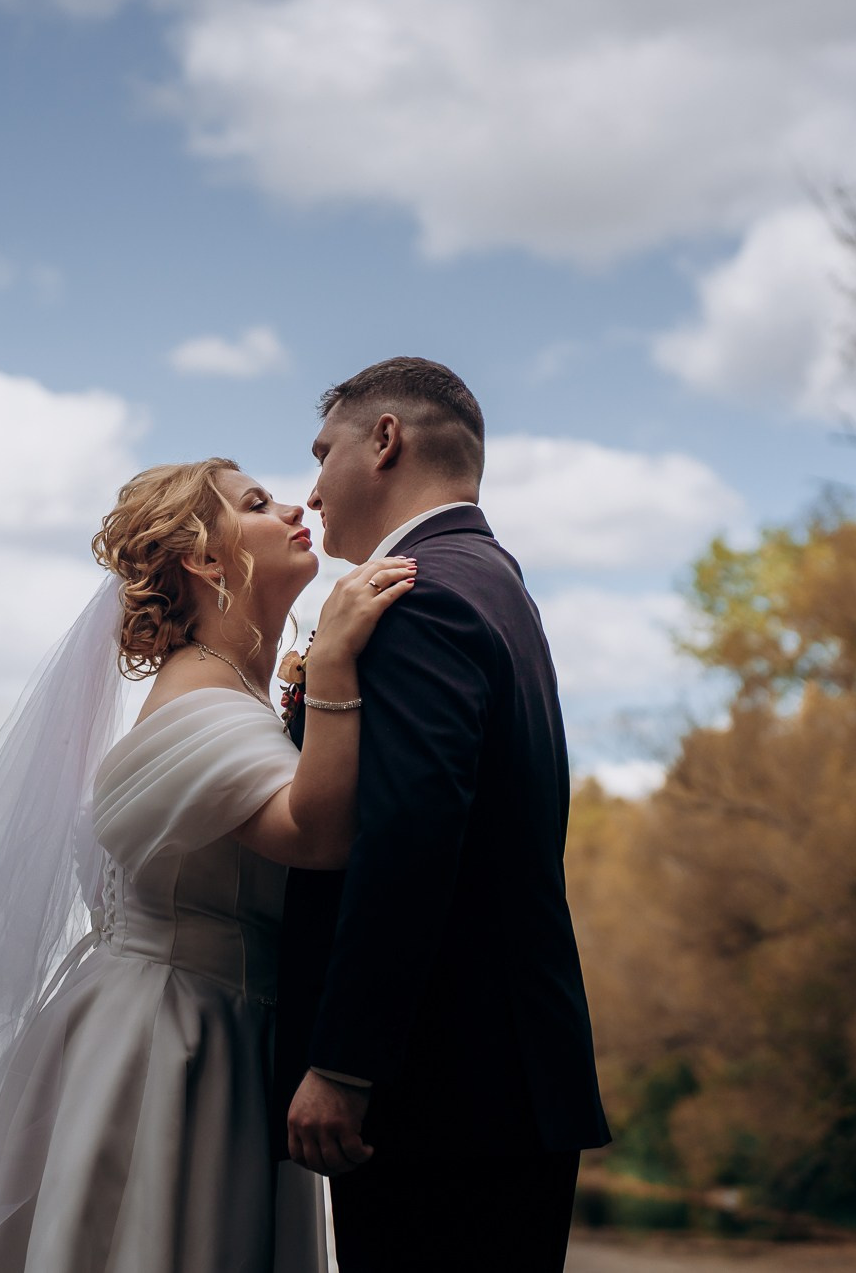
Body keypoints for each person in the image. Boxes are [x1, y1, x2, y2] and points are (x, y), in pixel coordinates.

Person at [0, 457, 416, 1273]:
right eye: (257, 502)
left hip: (203, 1027)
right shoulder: (201, 703)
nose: (296, 504)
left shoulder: (224, 696)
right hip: (170, 1047)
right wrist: (332, 668)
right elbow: (318, 835)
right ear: (207, 561)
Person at [275, 357, 612, 1270]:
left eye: (322, 451)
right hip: (503, 1080)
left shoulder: (416, 597)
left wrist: (346, 1063)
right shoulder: (494, 582)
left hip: (444, 1088)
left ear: (385, 440)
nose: (310, 488)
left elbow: (411, 839)